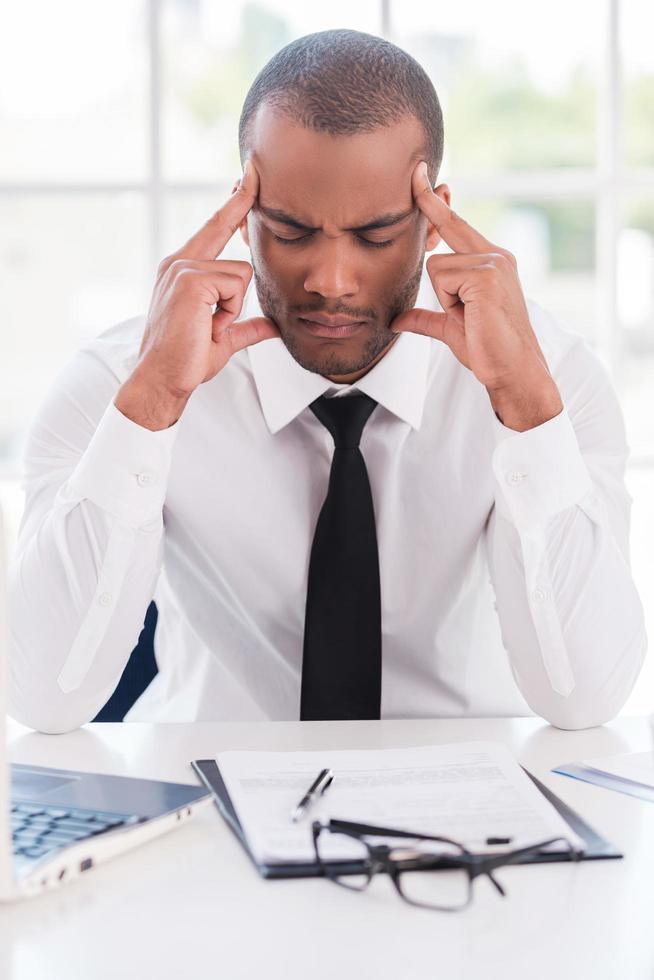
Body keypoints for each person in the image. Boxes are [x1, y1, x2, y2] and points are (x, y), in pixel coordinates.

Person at [8, 29, 647, 733]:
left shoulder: (548, 380)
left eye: (374, 236)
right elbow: (43, 699)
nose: (330, 281)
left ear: (435, 223)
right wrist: (150, 404)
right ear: (241, 216)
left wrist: (526, 409)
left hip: (476, 808)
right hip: (203, 796)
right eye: (289, 231)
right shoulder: (120, 378)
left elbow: (583, 700)